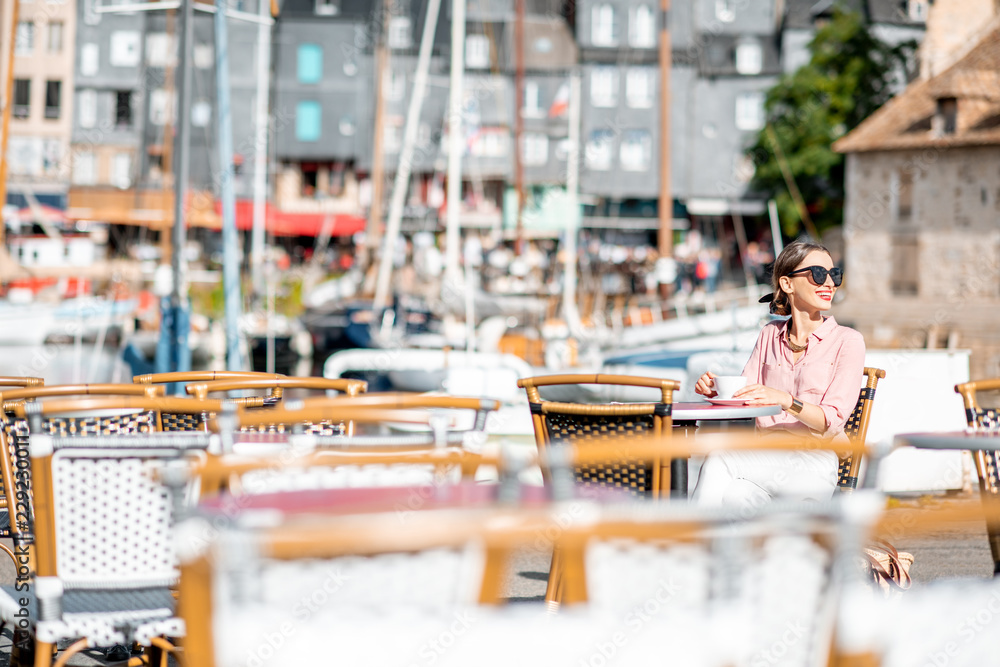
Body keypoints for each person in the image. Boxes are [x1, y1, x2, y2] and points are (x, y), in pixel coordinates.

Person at [691, 240, 865, 507]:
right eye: (818, 274)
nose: (829, 283)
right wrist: (716, 389)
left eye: (834, 274)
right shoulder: (770, 334)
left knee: (721, 458)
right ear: (787, 284)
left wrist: (786, 400)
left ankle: (684, 539)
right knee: (736, 497)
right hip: (764, 458)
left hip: (812, 463)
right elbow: (746, 393)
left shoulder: (847, 341)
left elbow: (832, 420)